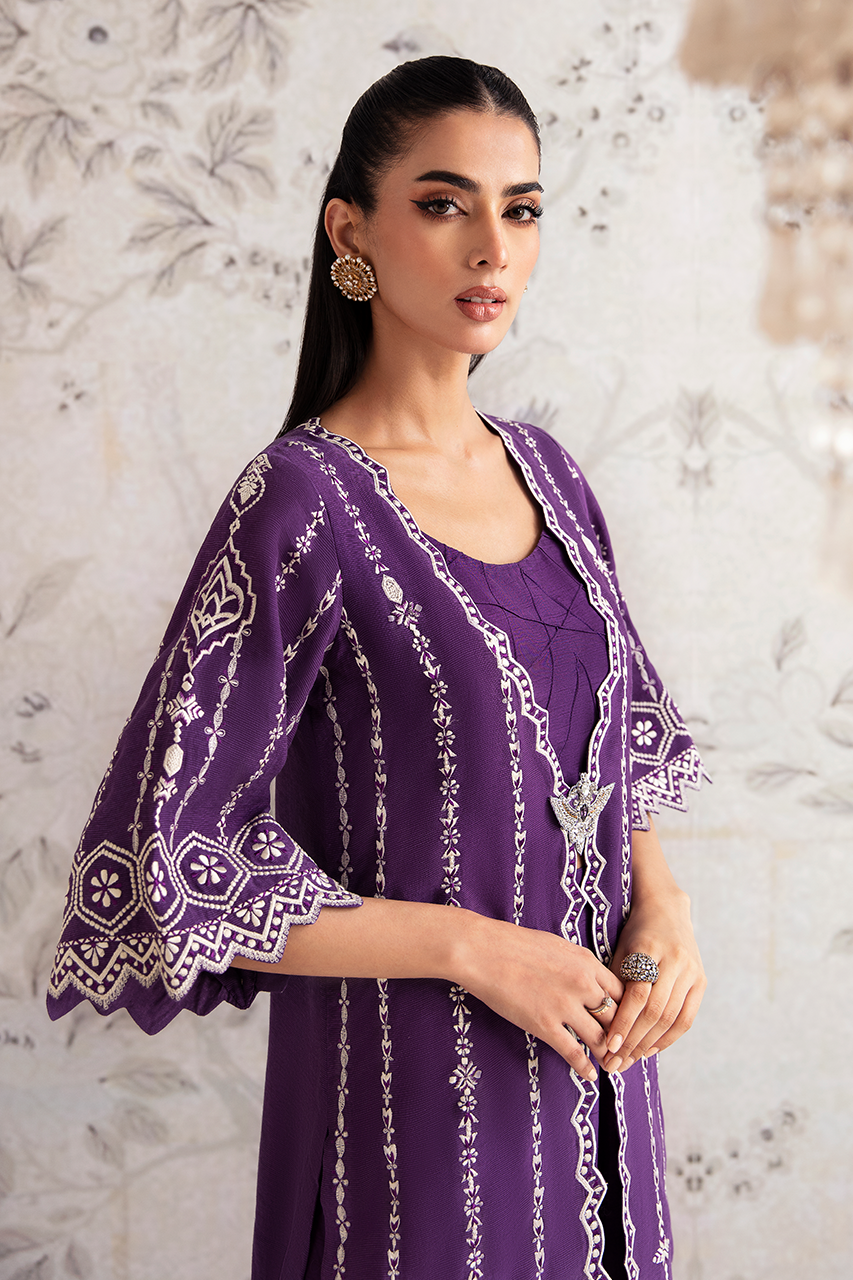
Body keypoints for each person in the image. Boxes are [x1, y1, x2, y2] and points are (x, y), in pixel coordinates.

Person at [48, 56, 707, 1280]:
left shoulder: (552, 477)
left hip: (601, 1100)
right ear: (350, 231)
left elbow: (616, 747)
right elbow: (179, 857)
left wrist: (661, 904)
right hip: (408, 1134)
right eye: (444, 203)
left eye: (520, 210)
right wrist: (470, 945)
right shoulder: (300, 501)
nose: (491, 249)